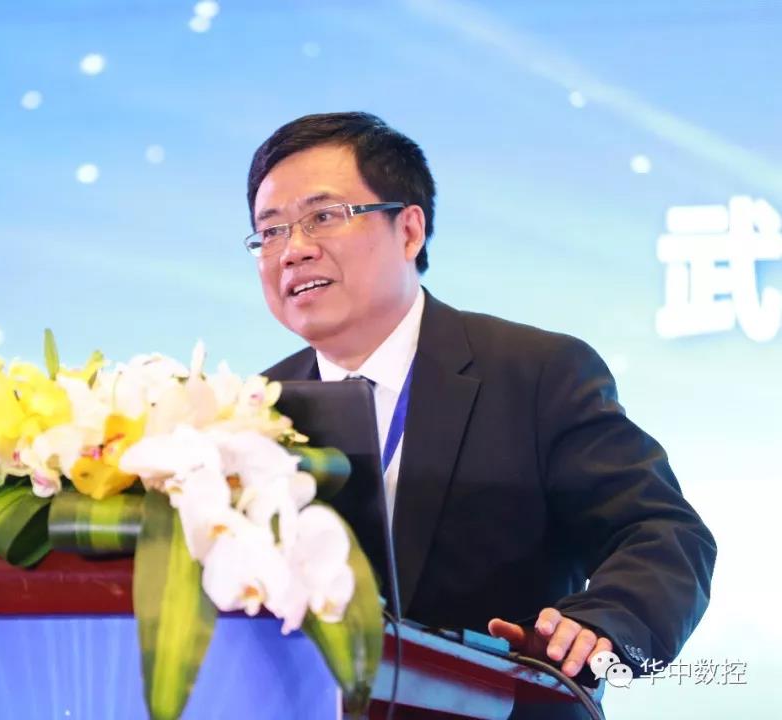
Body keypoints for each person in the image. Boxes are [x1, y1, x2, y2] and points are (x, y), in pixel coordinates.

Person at [247, 112, 716, 718]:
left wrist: (599, 625)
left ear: (408, 230)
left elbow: (662, 533)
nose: (293, 251)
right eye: (270, 231)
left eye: (324, 217)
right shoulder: (250, 411)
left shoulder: (536, 372)